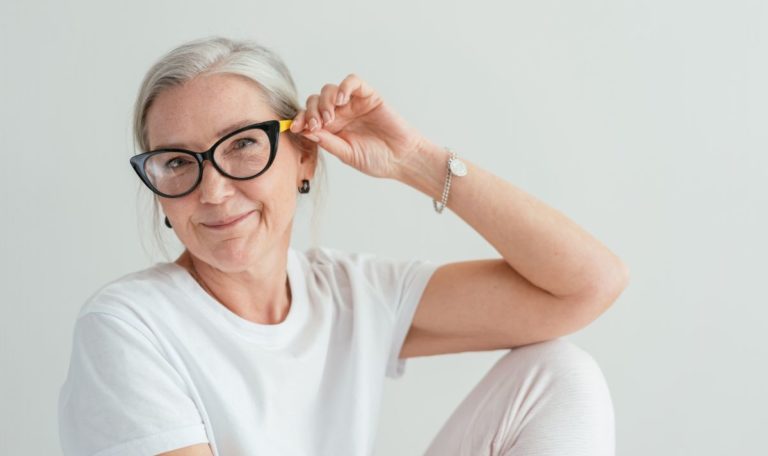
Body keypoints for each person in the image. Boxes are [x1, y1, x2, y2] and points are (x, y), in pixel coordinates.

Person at [57, 36, 629, 456]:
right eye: (178, 162)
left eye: (242, 146)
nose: (213, 190)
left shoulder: (348, 295)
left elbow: (586, 286)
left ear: (303, 156)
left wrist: (417, 162)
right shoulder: (127, 326)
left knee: (560, 373)